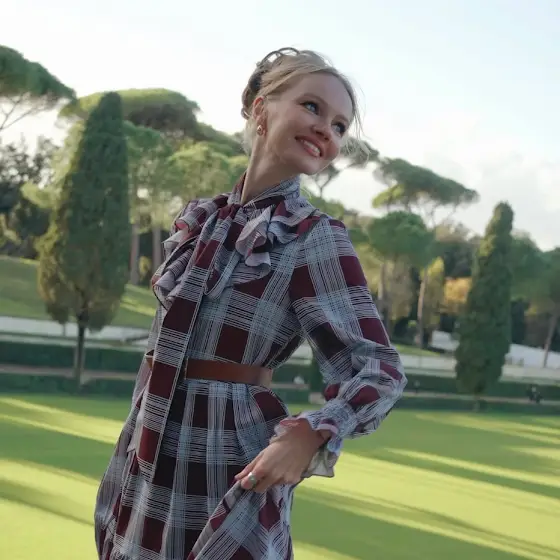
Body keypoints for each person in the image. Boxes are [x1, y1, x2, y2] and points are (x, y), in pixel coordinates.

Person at [94, 47, 407, 560]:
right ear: (262, 109)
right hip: (149, 449)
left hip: (229, 459)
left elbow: (380, 369)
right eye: (312, 106)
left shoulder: (314, 237)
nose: (326, 129)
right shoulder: (202, 222)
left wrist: (312, 434)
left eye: (339, 125)